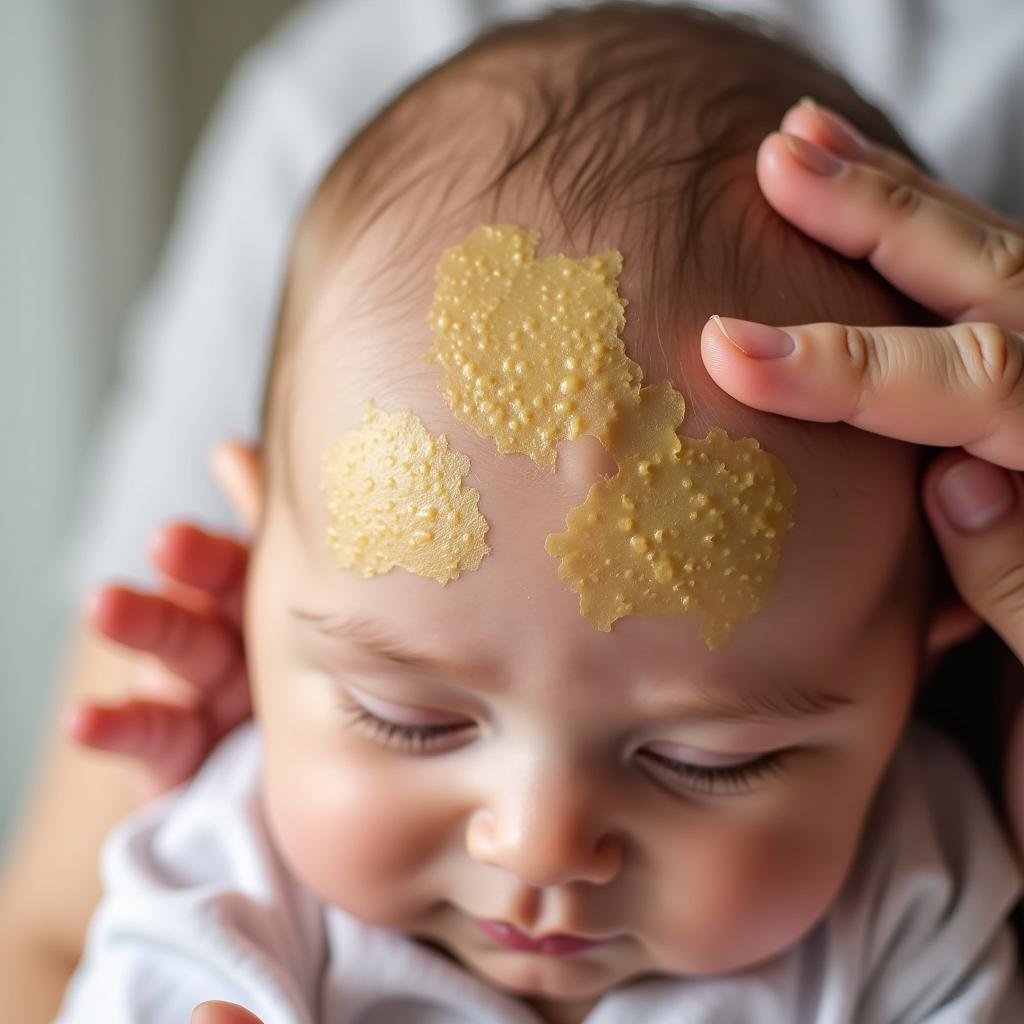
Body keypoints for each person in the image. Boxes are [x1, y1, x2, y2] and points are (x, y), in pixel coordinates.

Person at [3, 0, 1023, 1020]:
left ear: (924, 650)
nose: (539, 841)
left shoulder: (911, 901)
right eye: (406, 719)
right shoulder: (232, 883)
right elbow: (44, 939)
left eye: (707, 760)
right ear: (254, 571)